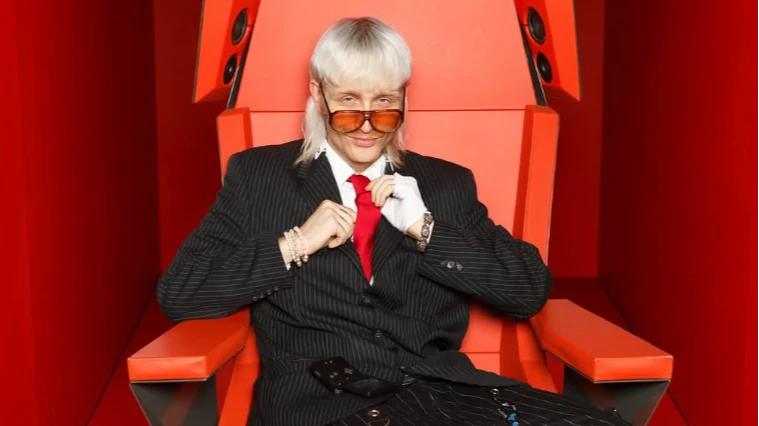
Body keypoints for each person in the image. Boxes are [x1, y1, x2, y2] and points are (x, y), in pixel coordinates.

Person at [157, 16, 630, 426]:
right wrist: (295, 243)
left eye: (384, 105)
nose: (367, 125)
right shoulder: (259, 176)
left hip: (443, 394)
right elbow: (181, 292)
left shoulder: (444, 184)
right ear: (318, 95)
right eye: (349, 104)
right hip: (321, 403)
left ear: (404, 98)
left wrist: (427, 230)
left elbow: (527, 290)